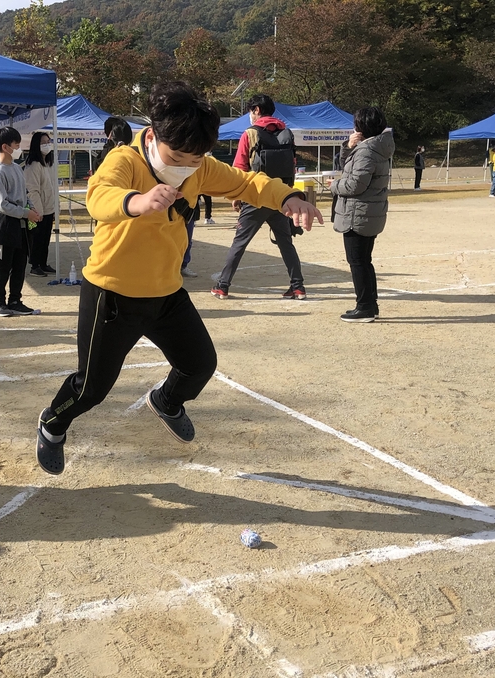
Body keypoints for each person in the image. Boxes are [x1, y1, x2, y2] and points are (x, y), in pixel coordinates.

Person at [34, 81, 322, 475]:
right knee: (90, 389)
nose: (186, 166)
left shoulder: (199, 169)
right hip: (112, 293)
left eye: (196, 158)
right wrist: (137, 201)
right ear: (152, 136)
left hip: (166, 294)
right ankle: (53, 423)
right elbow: (98, 196)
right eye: (178, 156)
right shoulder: (125, 160)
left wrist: (287, 197)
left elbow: (246, 182)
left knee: (200, 364)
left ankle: (167, 401)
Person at [211, 94, 309, 301]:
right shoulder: (286, 132)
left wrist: (236, 196)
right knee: (285, 242)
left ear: (256, 110)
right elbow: (292, 163)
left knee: (240, 242)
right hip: (281, 196)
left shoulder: (250, 133)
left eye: (250, 111)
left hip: (255, 195)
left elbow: (240, 167)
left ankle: (223, 285)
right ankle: (298, 286)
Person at [331, 108, 393, 323]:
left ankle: (365, 306)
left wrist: (334, 186)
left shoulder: (367, 151)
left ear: (362, 127)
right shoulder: (374, 147)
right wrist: (349, 148)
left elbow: (355, 184)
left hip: (359, 212)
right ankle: (369, 304)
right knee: (364, 260)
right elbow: (348, 168)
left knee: (357, 261)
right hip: (368, 211)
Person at [0, 126, 42, 318]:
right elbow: (2, 204)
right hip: (7, 222)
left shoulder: (17, 168)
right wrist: (25, 213)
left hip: (21, 221)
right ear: (5, 147)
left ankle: (15, 300)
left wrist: (32, 209)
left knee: (20, 263)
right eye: (16, 144)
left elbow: (24, 193)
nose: (19, 148)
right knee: (4, 264)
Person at [23, 132, 57, 277]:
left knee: (45, 239)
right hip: (39, 210)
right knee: (37, 238)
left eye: (48, 141)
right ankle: (35, 265)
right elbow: (33, 191)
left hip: (49, 208)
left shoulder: (47, 164)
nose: (47, 144)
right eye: (43, 142)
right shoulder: (33, 165)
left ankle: (43, 263)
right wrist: (38, 211)